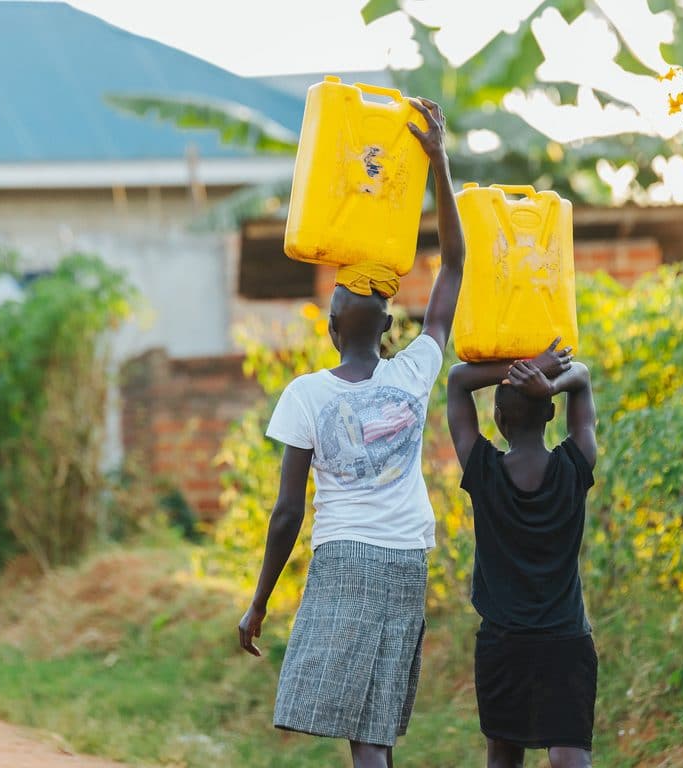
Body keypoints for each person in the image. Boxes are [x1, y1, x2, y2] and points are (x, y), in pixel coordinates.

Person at [237, 96, 461, 768]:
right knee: (376, 724)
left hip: (343, 560)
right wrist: (439, 160)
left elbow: (286, 514)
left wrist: (259, 602)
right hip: (404, 562)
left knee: (358, 728)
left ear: (332, 329)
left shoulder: (307, 394)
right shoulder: (416, 372)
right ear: (390, 329)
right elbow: (453, 266)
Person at [446, 346, 598, 768]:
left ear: (497, 419)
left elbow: (457, 380)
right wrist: (548, 378)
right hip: (566, 641)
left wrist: (514, 371)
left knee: (503, 757)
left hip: (502, 644)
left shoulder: (483, 471)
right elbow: (582, 376)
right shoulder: (575, 466)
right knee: (570, 754)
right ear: (552, 414)